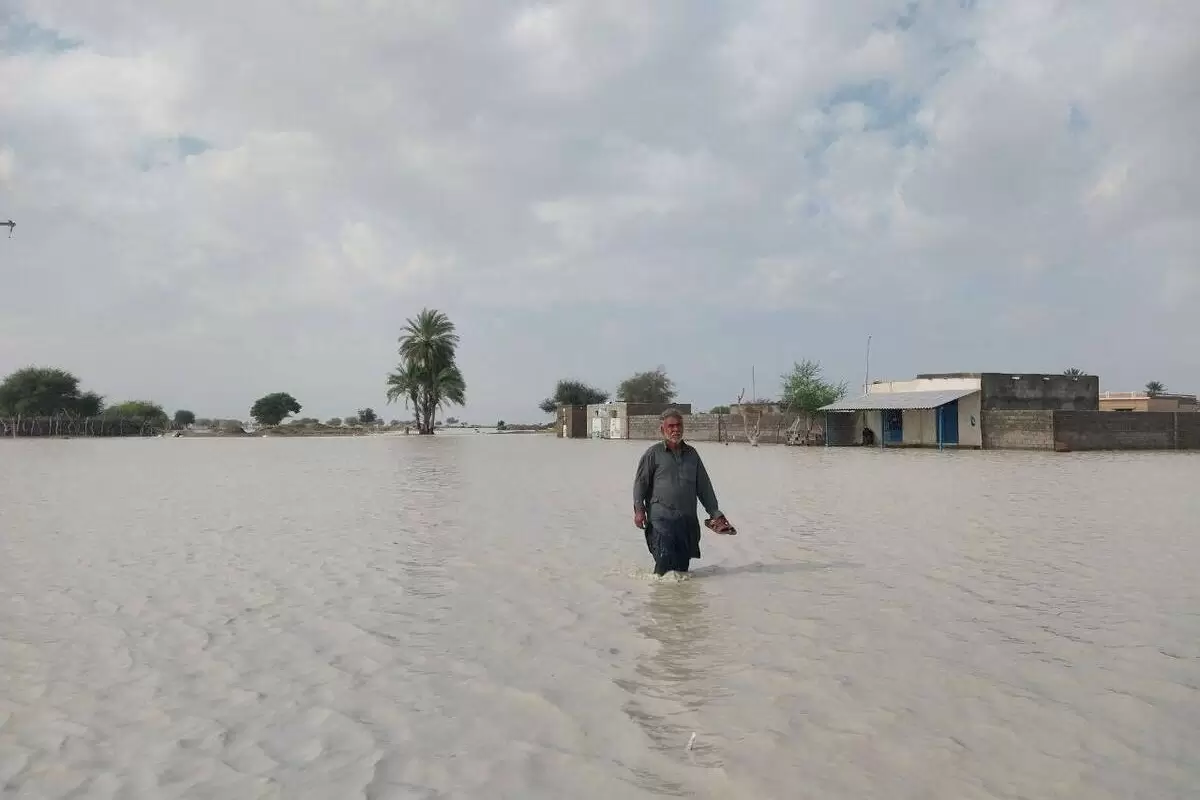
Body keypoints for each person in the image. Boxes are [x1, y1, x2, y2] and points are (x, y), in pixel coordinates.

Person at [633, 408, 735, 576]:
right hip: (661, 519)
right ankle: (659, 600)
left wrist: (715, 513)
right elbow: (640, 484)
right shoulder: (653, 454)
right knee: (664, 563)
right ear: (662, 429)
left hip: (686, 520)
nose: (675, 429)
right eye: (671, 426)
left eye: (678, 425)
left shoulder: (692, 454)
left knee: (682, 569)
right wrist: (639, 510)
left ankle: (681, 601)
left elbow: (704, 487)